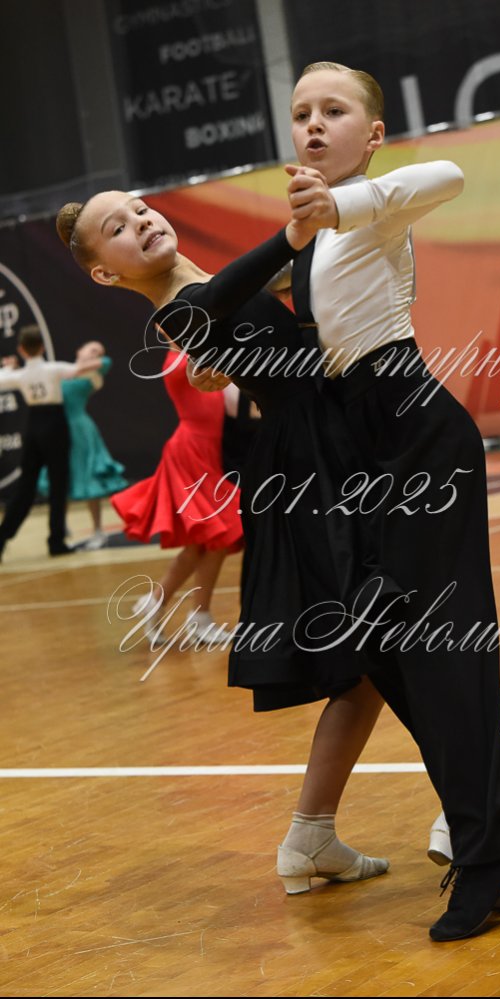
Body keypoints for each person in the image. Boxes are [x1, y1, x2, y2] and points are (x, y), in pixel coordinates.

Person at [279, 61, 500, 940]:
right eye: (301, 112)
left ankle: (485, 859)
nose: (313, 124)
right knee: (387, 653)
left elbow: (447, 173)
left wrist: (341, 204)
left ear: (372, 134)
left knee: (443, 655)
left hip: (417, 434)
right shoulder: (308, 236)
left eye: (334, 110)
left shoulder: (376, 204)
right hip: (363, 452)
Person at [55, 191, 393, 893]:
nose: (140, 222)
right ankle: (474, 806)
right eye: (117, 228)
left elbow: (255, 304)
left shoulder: (201, 293)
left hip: (327, 454)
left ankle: (314, 833)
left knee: (372, 664)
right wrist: (293, 234)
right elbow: (227, 294)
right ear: (105, 273)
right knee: (385, 647)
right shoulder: (180, 310)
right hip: (311, 471)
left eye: (139, 209)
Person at [110, 348, 243, 643]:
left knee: (205, 543)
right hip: (191, 452)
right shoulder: (178, 360)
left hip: (207, 452)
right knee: (222, 532)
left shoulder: (195, 354)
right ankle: (196, 616)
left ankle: (160, 603)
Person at [0, 325, 101, 561]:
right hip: (55, 425)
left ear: (21, 349)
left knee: (26, 487)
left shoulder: (21, 375)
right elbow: (80, 369)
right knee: (58, 485)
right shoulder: (53, 369)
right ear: (43, 347)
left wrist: (8, 367)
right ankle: (56, 541)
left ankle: (2, 538)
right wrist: (92, 360)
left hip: (33, 426)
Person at [38, 340, 128, 549]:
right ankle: (61, 527)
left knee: (89, 477)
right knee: (61, 478)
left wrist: (68, 370)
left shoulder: (95, 371)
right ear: (80, 350)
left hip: (81, 431)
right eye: (92, 349)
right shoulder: (62, 370)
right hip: (59, 429)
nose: (96, 353)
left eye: (99, 351)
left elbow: (105, 362)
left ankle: (98, 530)